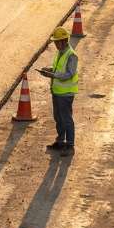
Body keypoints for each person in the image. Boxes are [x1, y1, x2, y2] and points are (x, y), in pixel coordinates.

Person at [39, 27, 79, 157]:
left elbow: (69, 74)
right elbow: (58, 68)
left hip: (66, 94)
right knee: (58, 118)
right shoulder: (60, 52)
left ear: (64, 41)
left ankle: (70, 145)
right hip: (57, 92)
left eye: (57, 42)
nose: (55, 44)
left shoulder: (71, 55)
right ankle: (60, 141)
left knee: (66, 119)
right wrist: (49, 70)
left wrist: (53, 75)